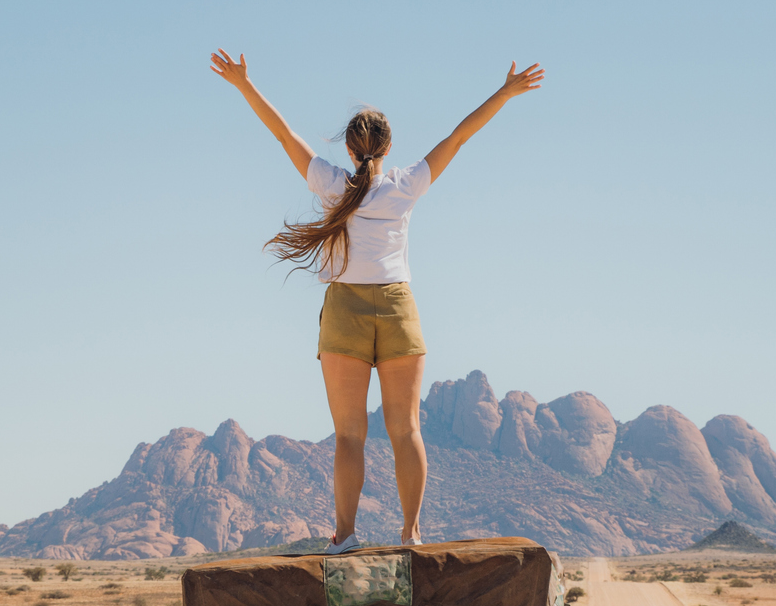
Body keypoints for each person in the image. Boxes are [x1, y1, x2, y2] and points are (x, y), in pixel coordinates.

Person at [210, 49, 544, 552]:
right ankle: (410, 533)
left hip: (344, 309)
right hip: (397, 308)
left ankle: (344, 537)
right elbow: (459, 136)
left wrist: (243, 84)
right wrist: (506, 91)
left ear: (348, 148)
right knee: (405, 429)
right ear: (387, 148)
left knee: (349, 435)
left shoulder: (329, 183)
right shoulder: (405, 185)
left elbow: (282, 134)